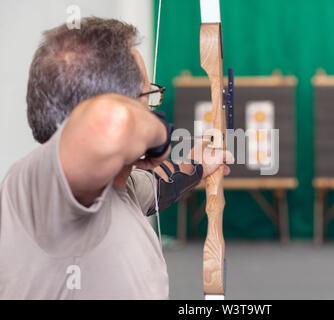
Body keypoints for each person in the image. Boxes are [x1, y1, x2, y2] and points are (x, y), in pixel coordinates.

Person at [0, 17, 232, 299]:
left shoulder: (122, 185)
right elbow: (112, 123)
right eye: (148, 95)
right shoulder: (40, 188)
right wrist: (160, 137)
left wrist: (198, 164)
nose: (153, 106)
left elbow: (158, 183)